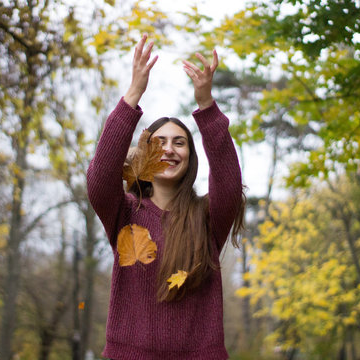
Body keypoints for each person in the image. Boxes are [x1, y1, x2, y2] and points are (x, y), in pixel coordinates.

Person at [87, 34, 244, 360]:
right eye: (159, 141)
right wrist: (132, 95)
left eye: (180, 142)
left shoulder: (207, 218)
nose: (169, 149)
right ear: (144, 154)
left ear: (190, 155)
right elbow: (100, 179)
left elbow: (229, 185)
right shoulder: (125, 213)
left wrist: (206, 106)